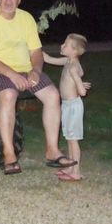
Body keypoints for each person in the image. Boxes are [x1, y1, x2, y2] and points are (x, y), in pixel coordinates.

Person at [0, 0, 76, 175]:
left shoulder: (26, 18)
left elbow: (36, 52)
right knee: (9, 94)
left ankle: (52, 151)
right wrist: (12, 74)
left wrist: (35, 70)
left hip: (25, 70)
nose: (9, 0)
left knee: (53, 95)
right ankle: (9, 155)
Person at [43, 34, 91, 182]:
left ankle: (76, 172)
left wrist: (79, 84)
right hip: (67, 105)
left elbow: (82, 92)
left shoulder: (73, 68)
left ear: (75, 51)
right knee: (69, 138)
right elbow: (48, 59)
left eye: (66, 44)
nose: (62, 46)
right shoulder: (67, 61)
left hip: (73, 107)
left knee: (73, 140)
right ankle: (71, 167)